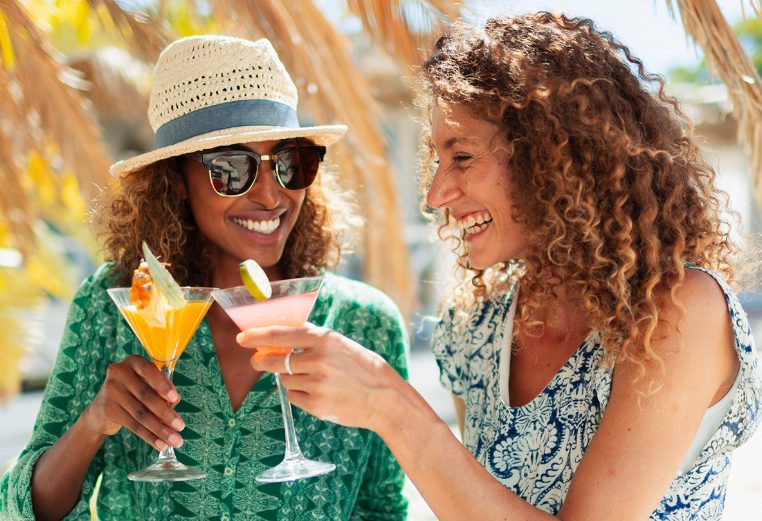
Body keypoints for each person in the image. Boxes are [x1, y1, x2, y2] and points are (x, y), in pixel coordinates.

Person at [238, 12, 762, 520]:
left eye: (461, 157)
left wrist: (390, 407)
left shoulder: (673, 313)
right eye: (435, 160)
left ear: (557, 158)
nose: (435, 193)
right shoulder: (476, 328)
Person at [0, 35, 409, 520]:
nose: (270, 196)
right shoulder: (116, 305)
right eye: (231, 168)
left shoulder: (366, 325)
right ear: (174, 180)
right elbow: (23, 508)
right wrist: (94, 421)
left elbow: (383, 509)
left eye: (289, 163)